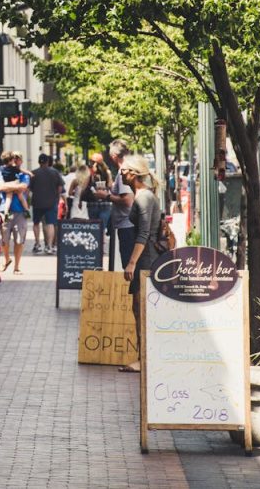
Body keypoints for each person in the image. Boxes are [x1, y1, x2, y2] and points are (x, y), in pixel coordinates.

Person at [119, 156, 163, 374]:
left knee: (142, 309)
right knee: (140, 309)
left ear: (133, 174)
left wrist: (132, 263)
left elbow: (144, 233)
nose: (120, 173)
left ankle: (143, 359)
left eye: (124, 170)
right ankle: (144, 356)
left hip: (147, 259)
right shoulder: (143, 195)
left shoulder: (143, 198)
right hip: (147, 258)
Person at [0, 151, 30, 274]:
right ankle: (7, 259)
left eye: (17, 159)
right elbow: (0, 187)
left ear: (21, 161)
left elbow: (23, 187)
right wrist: (15, 186)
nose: (15, 161)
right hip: (5, 211)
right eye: (13, 159)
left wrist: (9, 187)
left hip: (20, 212)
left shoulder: (23, 174)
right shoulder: (1, 172)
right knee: (4, 239)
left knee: (19, 240)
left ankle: (16, 267)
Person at [107, 139, 136, 270]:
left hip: (127, 224)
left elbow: (127, 200)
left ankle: (133, 290)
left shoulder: (123, 172)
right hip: (129, 223)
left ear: (114, 156)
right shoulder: (131, 167)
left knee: (128, 264)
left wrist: (107, 196)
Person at [29, 154, 64, 254]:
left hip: (37, 202)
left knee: (36, 223)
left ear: (39, 162)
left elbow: (29, 188)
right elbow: (60, 187)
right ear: (48, 162)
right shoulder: (55, 172)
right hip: (51, 202)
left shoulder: (33, 173)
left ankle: (37, 244)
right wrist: (57, 196)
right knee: (50, 223)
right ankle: (49, 246)